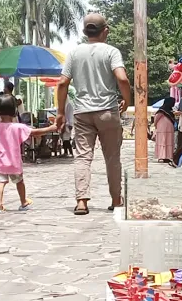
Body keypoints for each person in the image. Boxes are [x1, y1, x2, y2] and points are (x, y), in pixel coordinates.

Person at [55, 13, 132, 215]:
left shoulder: (74, 53)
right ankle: (116, 200)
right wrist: (128, 99)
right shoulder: (111, 52)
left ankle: (82, 201)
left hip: (82, 113)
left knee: (82, 157)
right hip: (107, 111)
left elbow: (62, 83)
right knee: (112, 157)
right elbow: (122, 79)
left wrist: (61, 112)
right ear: (105, 31)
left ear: (84, 31)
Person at [0, 94, 56, 214]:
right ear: (14, 111)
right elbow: (34, 132)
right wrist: (50, 129)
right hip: (14, 163)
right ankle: (23, 202)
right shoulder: (18, 127)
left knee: (0, 183)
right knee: (19, 182)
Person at [153, 97, 176, 163]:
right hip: (169, 127)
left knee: (162, 141)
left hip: (161, 127)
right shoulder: (169, 111)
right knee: (168, 141)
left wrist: (155, 125)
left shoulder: (162, 110)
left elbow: (156, 118)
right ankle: (167, 156)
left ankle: (162, 156)